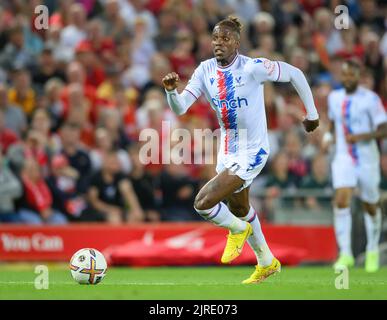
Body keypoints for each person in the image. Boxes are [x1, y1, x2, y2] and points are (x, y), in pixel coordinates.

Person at [162, 16, 319, 283]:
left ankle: (237, 231)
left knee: (203, 203)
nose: (218, 43)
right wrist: (170, 92)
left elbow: (295, 73)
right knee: (240, 207)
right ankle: (267, 261)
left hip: (253, 149)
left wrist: (312, 113)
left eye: (225, 38)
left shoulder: (253, 67)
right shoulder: (205, 70)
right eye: (215, 38)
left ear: (237, 42)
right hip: (227, 150)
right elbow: (181, 108)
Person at [323, 60, 387, 272]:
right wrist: (328, 136)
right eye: (345, 75)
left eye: (352, 75)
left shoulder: (370, 99)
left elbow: (383, 129)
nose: (348, 78)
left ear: (358, 76)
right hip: (344, 157)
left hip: (367, 158)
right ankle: (346, 254)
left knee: (370, 204)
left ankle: (371, 250)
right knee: (341, 200)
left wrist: (363, 136)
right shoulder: (334, 97)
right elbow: (333, 123)